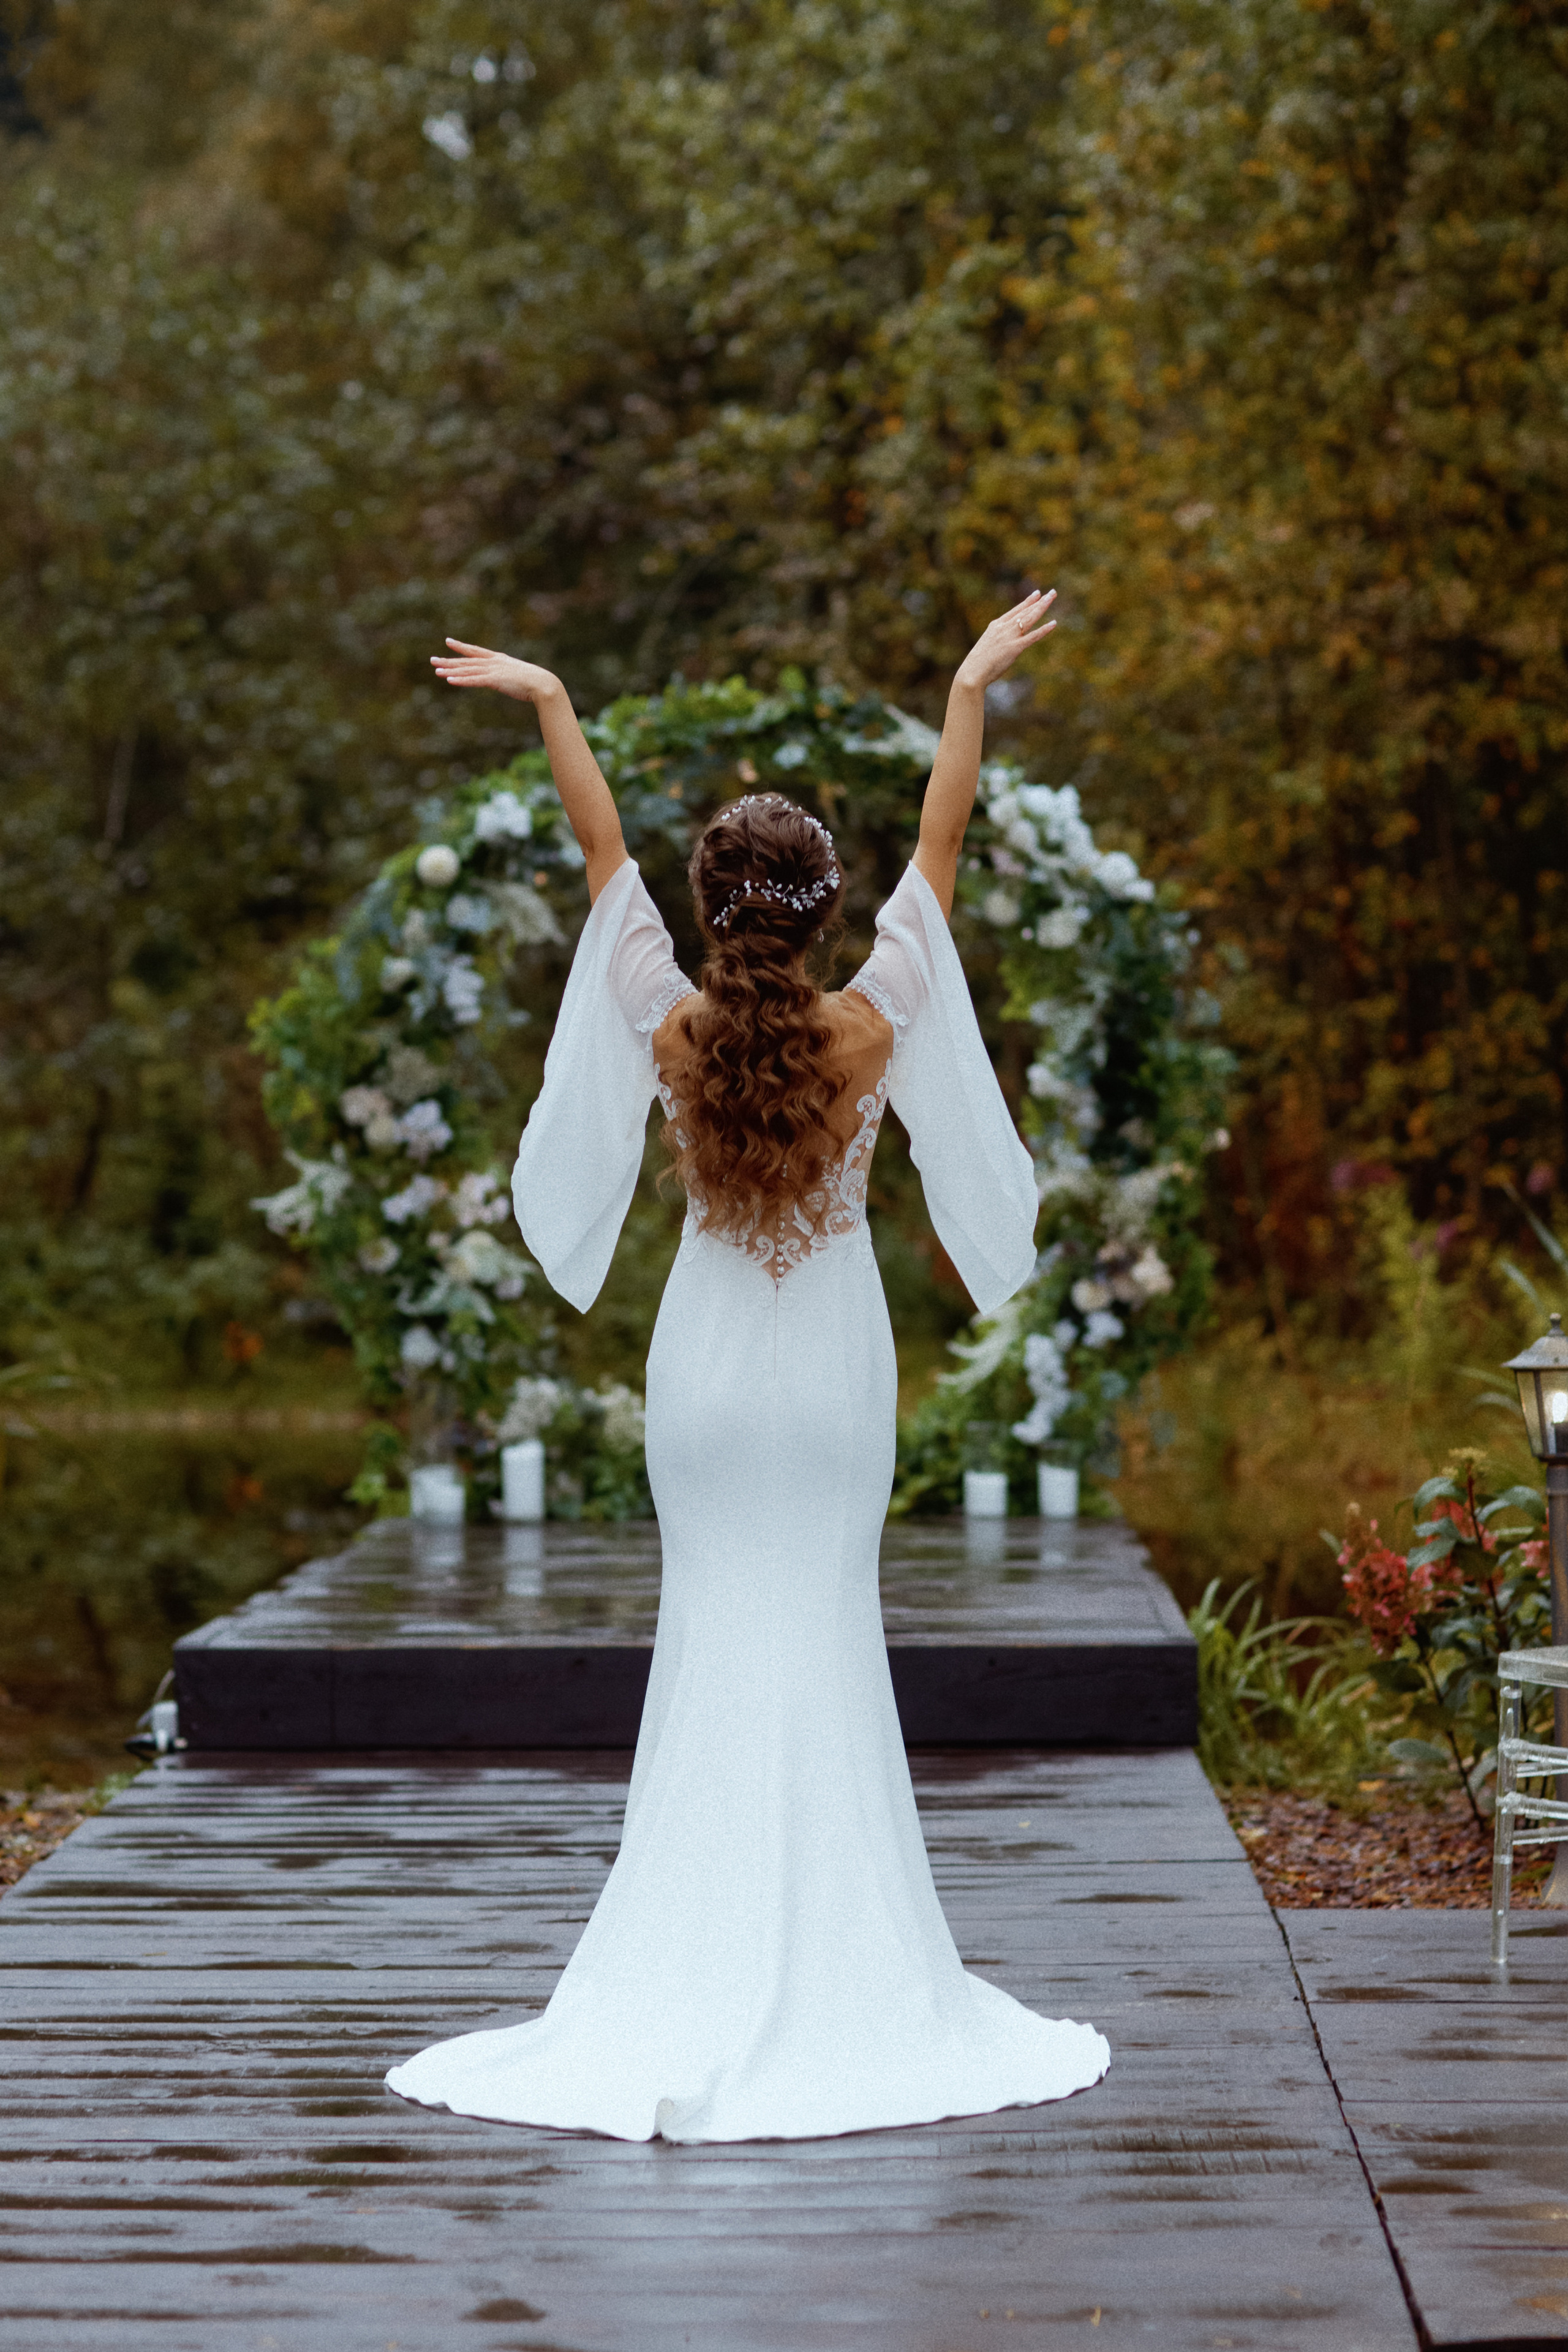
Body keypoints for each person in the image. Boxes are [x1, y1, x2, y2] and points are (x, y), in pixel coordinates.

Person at [386, 592, 1109, 2143]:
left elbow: (599, 864)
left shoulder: (669, 1027)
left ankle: (686, 1951)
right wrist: (966, 684)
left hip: (703, 1378)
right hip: (833, 1374)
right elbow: (944, 851)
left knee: (713, 1633)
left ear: (718, 915)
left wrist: (553, 697)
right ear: (818, 912)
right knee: (823, 1629)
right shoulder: (871, 1022)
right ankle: (849, 1963)